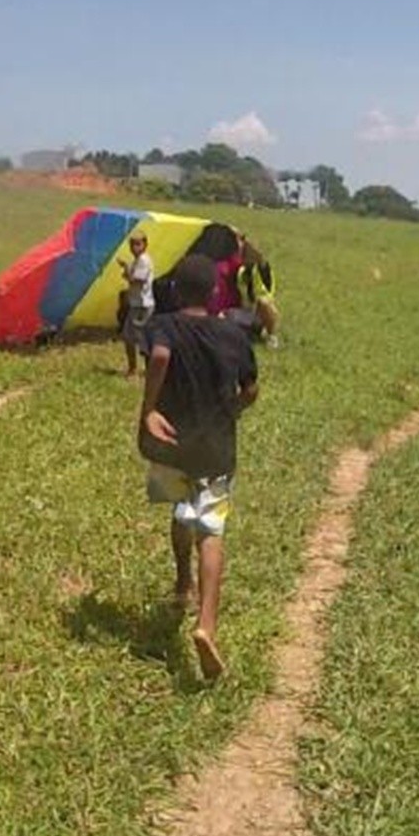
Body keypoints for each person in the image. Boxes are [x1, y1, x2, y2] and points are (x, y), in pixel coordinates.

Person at [138, 254, 259, 681]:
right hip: (216, 447)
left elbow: (158, 358)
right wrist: (232, 410)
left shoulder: (164, 325)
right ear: (212, 292)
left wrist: (149, 409)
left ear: (175, 289)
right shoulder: (233, 333)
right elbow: (251, 389)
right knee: (212, 529)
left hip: (172, 441)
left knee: (179, 507)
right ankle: (206, 625)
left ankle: (181, 583)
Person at [118, 232, 154, 377]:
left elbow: (136, 280)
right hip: (138, 304)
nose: (134, 247)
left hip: (142, 305)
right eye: (132, 244)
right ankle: (144, 369)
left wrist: (126, 268)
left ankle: (136, 369)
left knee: (133, 338)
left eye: (138, 244)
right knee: (139, 338)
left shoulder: (143, 261)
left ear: (145, 244)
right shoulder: (138, 260)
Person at [236, 240, 280, 348]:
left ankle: (271, 336)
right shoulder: (241, 272)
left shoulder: (262, 270)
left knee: (263, 302)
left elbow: (262, 262)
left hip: (260, 313)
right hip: (245, 312)